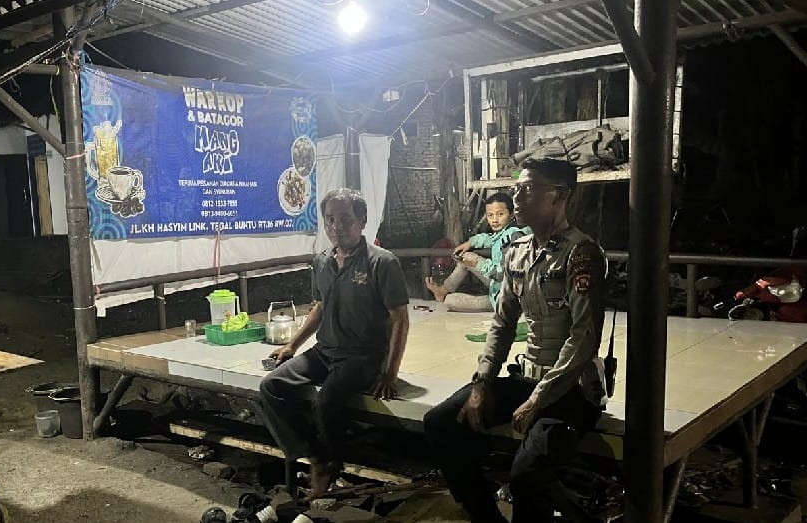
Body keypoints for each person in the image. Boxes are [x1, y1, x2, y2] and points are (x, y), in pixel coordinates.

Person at [423, 158, 607, 523]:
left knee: (526, 477)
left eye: (527, 189)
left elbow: (584, 338)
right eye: (516, 189)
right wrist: (482, 382)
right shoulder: (518, 252)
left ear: (558, 196)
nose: (517, 197)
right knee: (440, 423)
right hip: (528, 379)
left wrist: (538, 400)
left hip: (570, 392)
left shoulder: (580, 254)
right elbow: (503, 323)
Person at [259, 188, 410, 499]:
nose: (336, 227)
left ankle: (331, 462)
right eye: (329, 219)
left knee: (326, 401)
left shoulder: (383, 263)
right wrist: (292, 345)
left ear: (362, 221)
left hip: (363, 357)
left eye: (345, 219)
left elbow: (400, 319)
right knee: (270, 386)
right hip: (325, 351)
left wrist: (390, 373)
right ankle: (316, 455)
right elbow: (320, 306)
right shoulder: (322, 261)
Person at [426, 192, 529, 309]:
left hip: (510, 299)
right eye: (490, 215)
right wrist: (470, 242)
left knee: (450, 301)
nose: (494, 220)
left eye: (500, 214)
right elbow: (491, 238)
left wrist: (478, 264)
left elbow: (504, 274)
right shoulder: (507, 232)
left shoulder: (515, 236)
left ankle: (444, 293)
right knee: (466, 258)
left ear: (511, 214)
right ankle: (442, 290)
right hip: (499, 288)